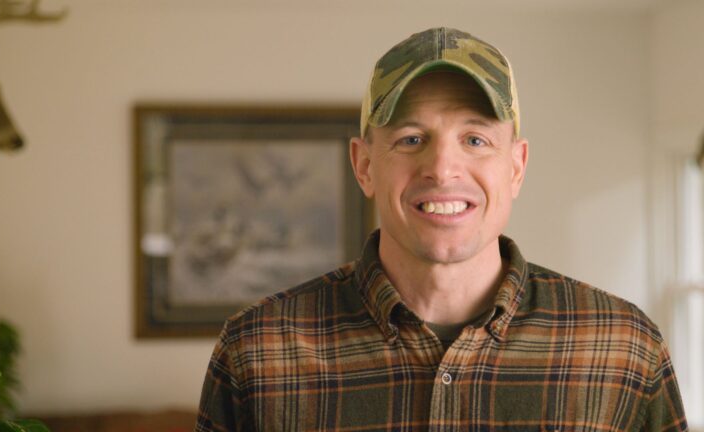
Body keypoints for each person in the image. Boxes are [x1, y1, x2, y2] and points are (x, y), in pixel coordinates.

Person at [195, 27, 688, 431]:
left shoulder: (623, 350)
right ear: (364, 165)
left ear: (516, 167)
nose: (443, 167)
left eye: (475, 139)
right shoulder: (257, 353)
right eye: (411, 139)